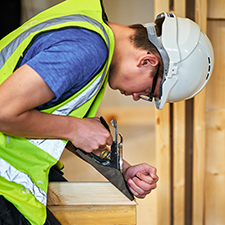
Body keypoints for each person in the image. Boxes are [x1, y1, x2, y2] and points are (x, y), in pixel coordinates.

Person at [0, 0, 213, 224]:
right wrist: (76, 128)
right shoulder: (86, 48)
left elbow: (45, 118)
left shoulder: (93, 32)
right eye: (149, 92)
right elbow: (3, 111)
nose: (136, 97)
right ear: (148, 61)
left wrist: (122, 168)